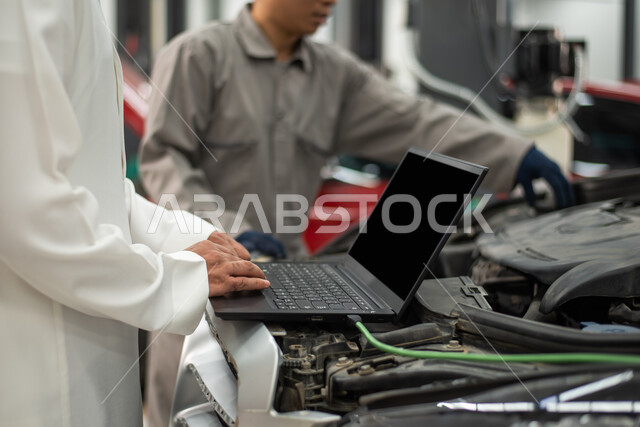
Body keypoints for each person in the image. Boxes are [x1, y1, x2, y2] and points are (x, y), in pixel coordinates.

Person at [138, 0, 574, 424]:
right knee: (185, 410)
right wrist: (230, 231)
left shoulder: (334, 76)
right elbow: (165, 160)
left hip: (283, 273)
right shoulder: (198, 55)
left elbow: (418, 121)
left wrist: (516, 155)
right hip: (202, 278)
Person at [0, 1, 269, 426]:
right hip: (46, 381)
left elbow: (98, 190)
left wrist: (202, 242)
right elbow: (23, 212)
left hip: (92, 356)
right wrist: (181, 280)